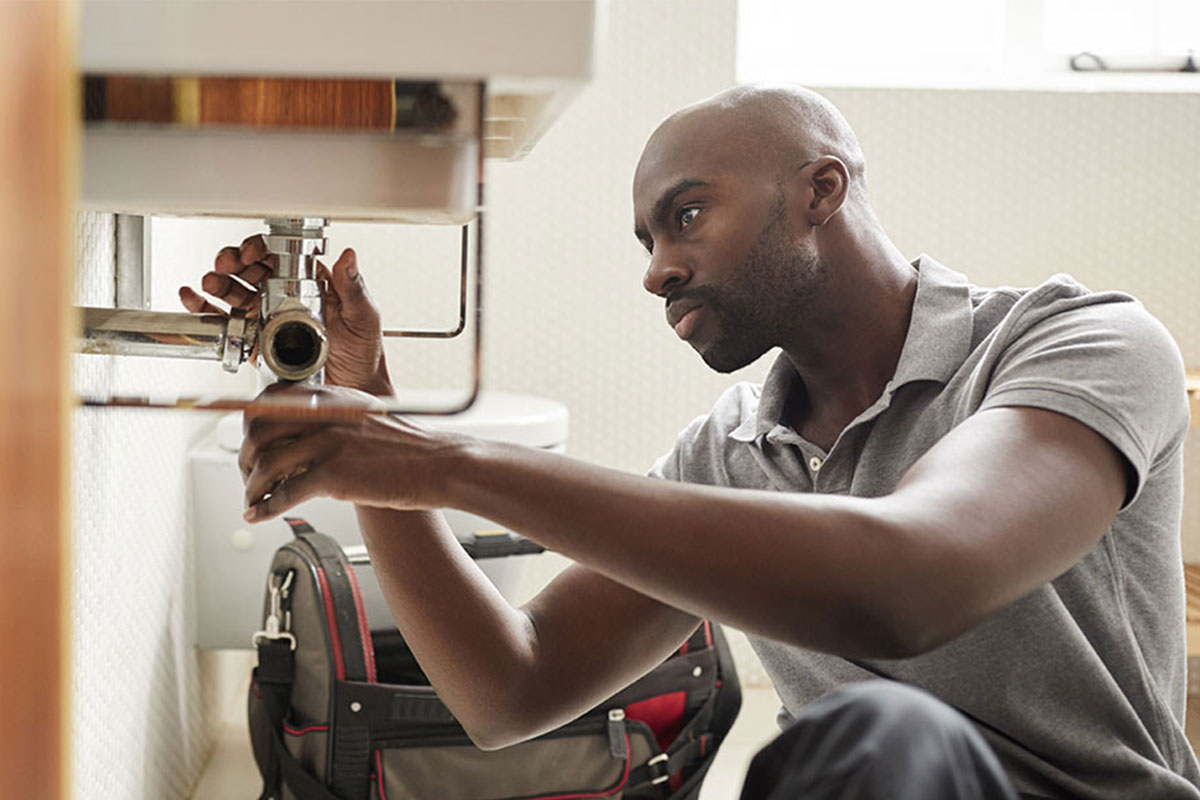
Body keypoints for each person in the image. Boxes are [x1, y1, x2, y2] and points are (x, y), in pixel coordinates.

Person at [182, 85, 1198, 799]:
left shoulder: (1078, 343)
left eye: (687, 215)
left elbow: (907, 585)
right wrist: (378, 426)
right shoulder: (728, 452)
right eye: (648, 240)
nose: (658, 270)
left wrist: (438, 460)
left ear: (821, 190)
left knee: (886, 732)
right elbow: (510, 685)